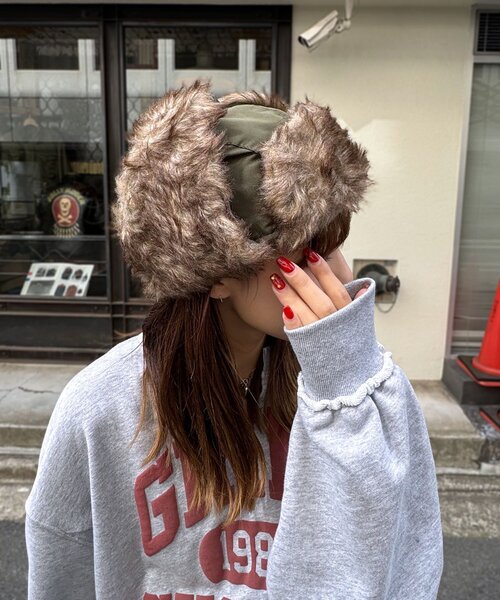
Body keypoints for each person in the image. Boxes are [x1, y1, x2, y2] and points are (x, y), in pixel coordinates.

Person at [24, 79, 444, 599]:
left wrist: (348, 389)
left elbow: (400, 570)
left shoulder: (355, 387)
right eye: (308, 252)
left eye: (336, 247)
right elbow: (60, 575)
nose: (339, 274)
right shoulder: (99, 408)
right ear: (216, 273)